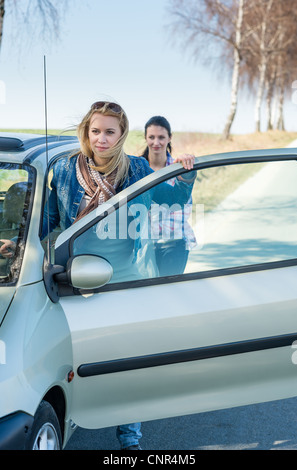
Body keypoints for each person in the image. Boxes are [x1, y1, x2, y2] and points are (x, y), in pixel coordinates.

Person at [0, 101, 195, 449]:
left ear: (121, 135)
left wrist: (185, 175)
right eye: (96, 131)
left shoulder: (136, 169)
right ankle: (81, 412)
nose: (101, 139)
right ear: (86, 132)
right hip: (73, 277)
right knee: (79, 359)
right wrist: (15, 239)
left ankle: (129, 438)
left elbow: (173, 199)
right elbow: (51, 220)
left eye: (110, 132)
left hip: (125, 279)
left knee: (126, 362)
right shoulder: (62, 169)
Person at [141, 115, 197, 276]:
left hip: (174, 243)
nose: (156, 142)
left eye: (161, 137)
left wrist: (188, 168)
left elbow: (182, 198)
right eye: (151, 137)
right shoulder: (137, 169)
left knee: (167, 293)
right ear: (146, 138)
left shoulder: (179, 167)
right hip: (143, 246)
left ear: (169, 138)